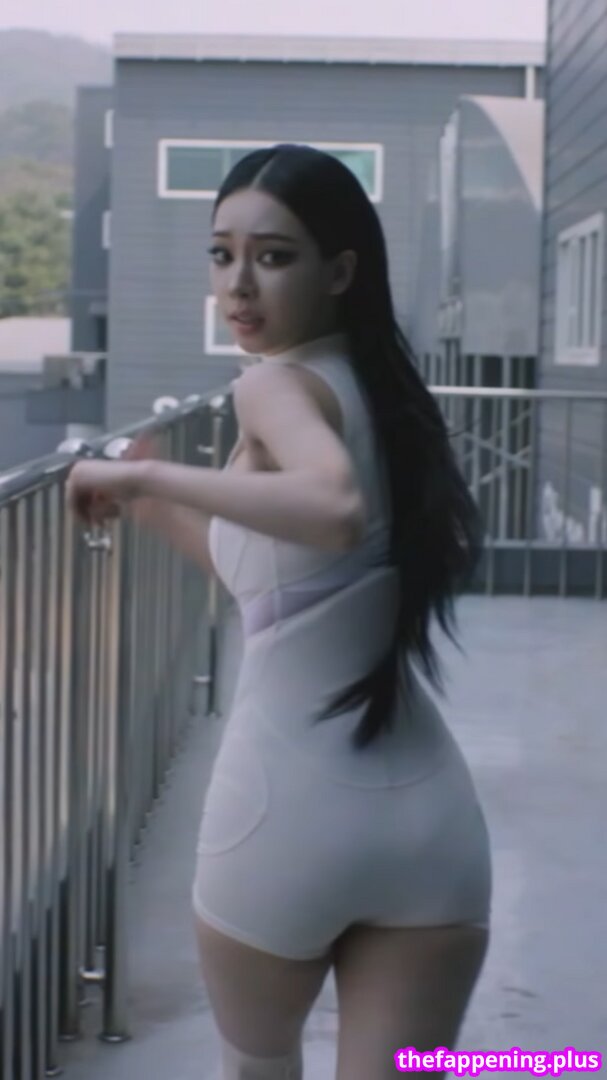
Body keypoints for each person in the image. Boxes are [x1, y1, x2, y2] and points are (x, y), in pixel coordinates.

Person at [66, 144, 492, 1080]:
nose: (238, 285)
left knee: (258, 1066)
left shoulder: (270, 384)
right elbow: (284, 586)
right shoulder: (385, 394)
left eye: (274, 256)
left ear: (339, 271)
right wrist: (156, 505)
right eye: (222, 255)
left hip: (282, 816)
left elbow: (329, 506)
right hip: (430, 825)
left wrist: (140, 476)